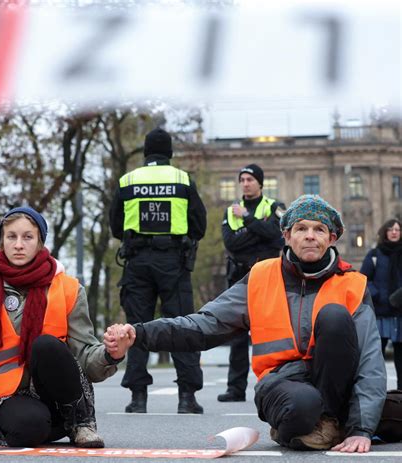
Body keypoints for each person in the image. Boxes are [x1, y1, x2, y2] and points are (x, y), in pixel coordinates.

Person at [105, 194, 387, 453]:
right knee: (303, 406)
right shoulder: (261, 277)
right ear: (287, 236)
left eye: (319, 229)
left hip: (334, 383)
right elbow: (204, 325)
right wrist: (139, 333)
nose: (310, 236)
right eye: (301, 229)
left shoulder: (352, 284)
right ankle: (306, 424)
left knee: (335, 316)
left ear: (332, 237)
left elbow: (369, 359)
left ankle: (330, 423)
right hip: (282, 382)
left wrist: (361, 430)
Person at [0, 206, 121, 448]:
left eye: (27, 237)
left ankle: (80, 423)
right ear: (2, 241)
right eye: (11, 236)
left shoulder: (68, 289)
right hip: (8, 395)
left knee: (46, 344)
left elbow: (85, 356)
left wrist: (111, 353)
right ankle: (45, 426)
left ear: (40, 242)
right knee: (28, 429)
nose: (18, 244)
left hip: (60, 396)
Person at [109, 127, 207, 414]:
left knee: (135, 328)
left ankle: (138, 398)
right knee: (182, 327)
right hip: (173, 262)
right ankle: (187, 398)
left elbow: (116, 226)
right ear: (170, 153)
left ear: (145, 152)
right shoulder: (182, 179)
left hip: (137, 262)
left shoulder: (128, 181)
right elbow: (199, 225)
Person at [218, 164, 285, 402]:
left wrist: (247, 219)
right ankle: (235, 389)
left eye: (250, 179)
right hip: (238, 277)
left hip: (267, 277)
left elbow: (278, 239)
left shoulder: (274, 206)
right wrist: (259, 230)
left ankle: (273, 386)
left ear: (260, 183)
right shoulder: (230, 211)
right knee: (236, 334)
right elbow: (232, 244)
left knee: (269, 334)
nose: (245, 183)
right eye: (242, 179)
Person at [360, 219, 402, 389]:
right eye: (391, 229)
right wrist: (377, 295)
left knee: (401, 360)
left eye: (398, 230)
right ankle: (376, 393)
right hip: (381, 313)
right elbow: (363, 279)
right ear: (384, 232)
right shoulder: (374, 255)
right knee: (377, 358)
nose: (394, 232)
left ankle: (400, 397)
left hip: (400, 314)